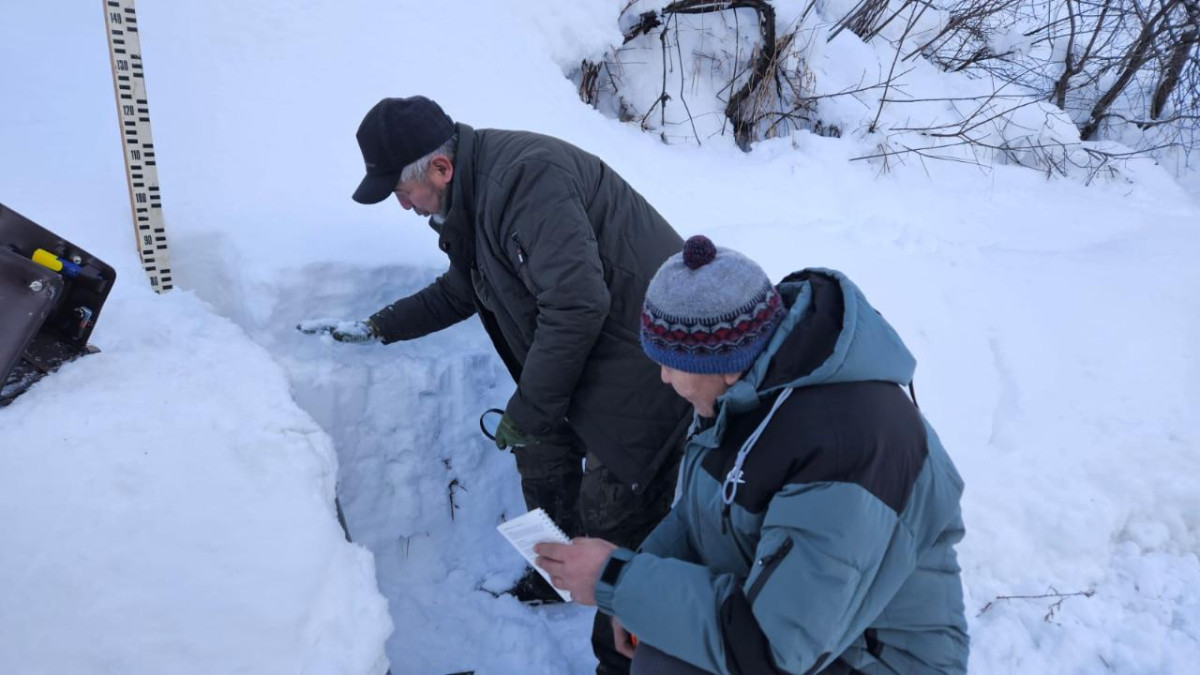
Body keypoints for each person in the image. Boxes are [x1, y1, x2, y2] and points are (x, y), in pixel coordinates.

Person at [299, 96, 692, 674]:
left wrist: (530, 406)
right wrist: (380, 326)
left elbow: (578, 304)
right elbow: (463, 290)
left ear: (440, 168)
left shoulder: (527, 181)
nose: (401, 204)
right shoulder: (474, 200)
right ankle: (556, 575)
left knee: (614, 517)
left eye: (401, 192)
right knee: (540, 452)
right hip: (586, 352)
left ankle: (634, 650)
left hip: (648, 360)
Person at [536, 235, 970, 674]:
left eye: (672, 363)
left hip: (873, 659)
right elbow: (697, 518)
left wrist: (618, 581)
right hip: (809, 628)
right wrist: (623, 590)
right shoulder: (750, 393)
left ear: (726, 362)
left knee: (662, 662)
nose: (664, 378)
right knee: (628, 624)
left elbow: (772, 652)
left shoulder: (846, 453)